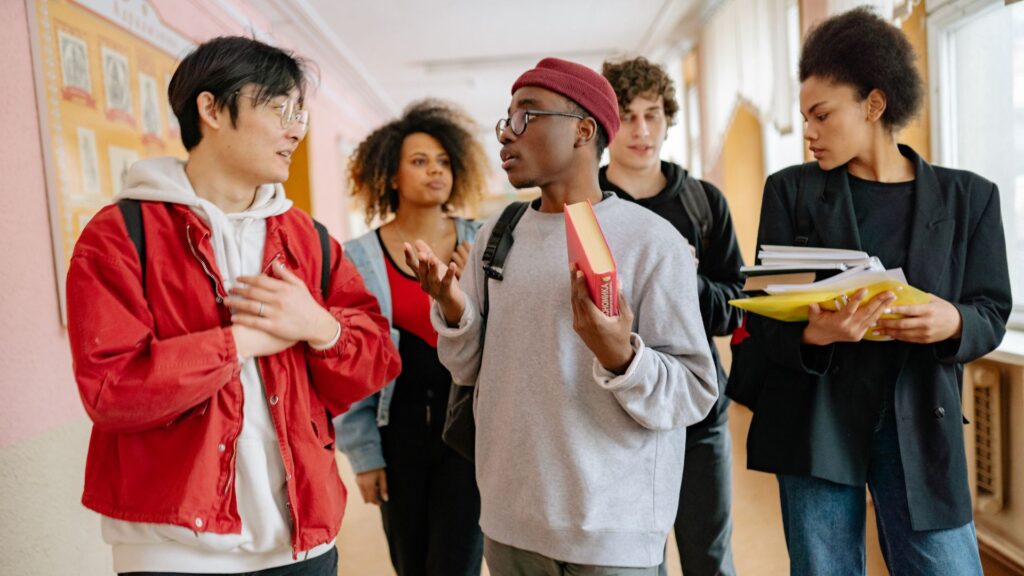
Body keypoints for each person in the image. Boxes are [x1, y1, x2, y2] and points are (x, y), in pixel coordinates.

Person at [66, 36, 401, 575]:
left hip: (304, 543)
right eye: (279, 109)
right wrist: (241, 342)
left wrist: (319, 327)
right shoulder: (121, 236)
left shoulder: (308, 239)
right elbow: (112, 391)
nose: (295, 128)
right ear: (212, 108)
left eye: (301, 114)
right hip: (172, 547)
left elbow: (375, 360)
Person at [406, 57, 718, 575]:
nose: (507, 134)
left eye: (526, 115)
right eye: (505, 120)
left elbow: (692, 390)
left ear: (584, 130)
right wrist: (454, 308)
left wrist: (621, 356)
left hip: (613, 530)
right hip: (510, 522)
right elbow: (467, 372)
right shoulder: (496, 234)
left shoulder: (651, 242)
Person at [743, 8, 1012, 575]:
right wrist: (814, 333)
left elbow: (991, 308)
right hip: (816, 420)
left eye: (821, 115)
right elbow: (764, 321)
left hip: (919, 418)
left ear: (874, 104)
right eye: (803, 118)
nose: (808, 132)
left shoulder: (971, 199)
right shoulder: (789, 192)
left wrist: (953, 322)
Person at [600, 56, 744, 576]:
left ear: (667, 118)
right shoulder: (580, 204)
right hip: (611, 418)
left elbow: (734, 309)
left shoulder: (705, 203)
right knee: (636, 563)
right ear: (604, 124)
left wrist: (686, 281)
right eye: (627, 115)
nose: (642, 129)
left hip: (697, 413)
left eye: (653, 114)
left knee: (710, 557)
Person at [336, 100, 488, 576]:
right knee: (411, 566)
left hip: (468, 433)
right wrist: (363, 455)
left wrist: (464, 296)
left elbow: (504, 343)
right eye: (419, 162)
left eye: (443, 161)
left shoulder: (483, 241)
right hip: (395, 434)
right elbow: (349, 362)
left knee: (457, 565)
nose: (435, 172)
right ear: (391, 175)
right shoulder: (357, 257)